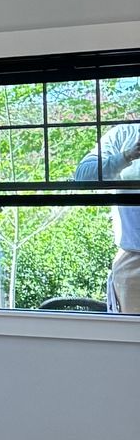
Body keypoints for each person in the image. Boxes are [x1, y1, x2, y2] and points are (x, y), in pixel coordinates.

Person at [74, 119, 140, 311]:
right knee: (130, 338)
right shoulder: (123, 134)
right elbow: (82, 176)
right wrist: (126, 156)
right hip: (133, 261)